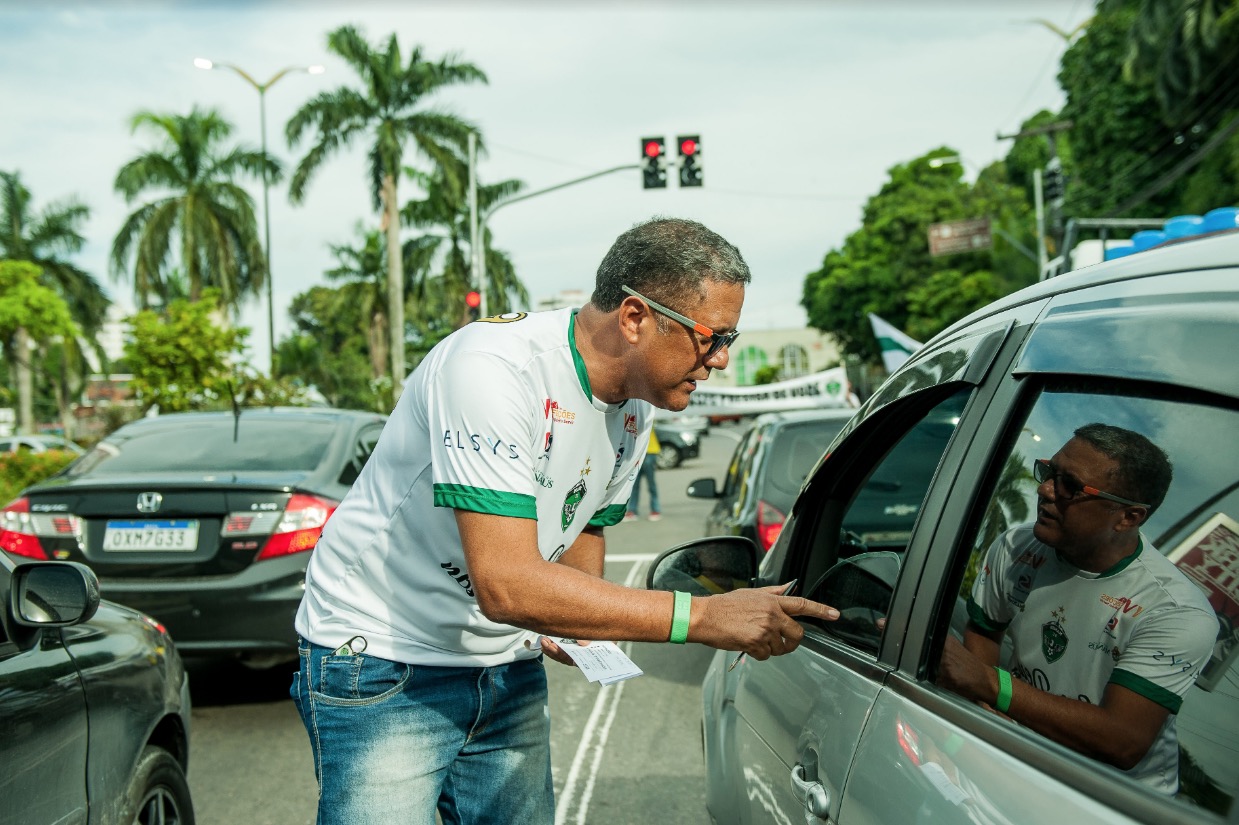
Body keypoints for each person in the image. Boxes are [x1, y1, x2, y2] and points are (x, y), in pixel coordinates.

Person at [290, 216, 840, 825]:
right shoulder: (494, 369)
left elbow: (584, 523)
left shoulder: (638, 402)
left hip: (504, 660)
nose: (723, 360)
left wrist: (578, 622)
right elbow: (508, 585)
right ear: (635, 318)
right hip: (386, 657)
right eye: (712, 337)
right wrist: (704, 615)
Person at [938, 423, 1216, 793]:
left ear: (1128, 517)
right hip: (1011, 765)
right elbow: (985, 631)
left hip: (1110, 803)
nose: (1045, 489)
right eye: (1049, 472)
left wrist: (990, 685)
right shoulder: (1015, 548)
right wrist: (986, 709)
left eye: (1070, 486)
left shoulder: (1175, 611)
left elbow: (1122, 739)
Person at [625, 427, 661, 521]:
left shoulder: (648, 413)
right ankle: (632, 510)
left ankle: (655, 509)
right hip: (636, 453)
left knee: (651, 483)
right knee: (634, 484)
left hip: (650, 451)